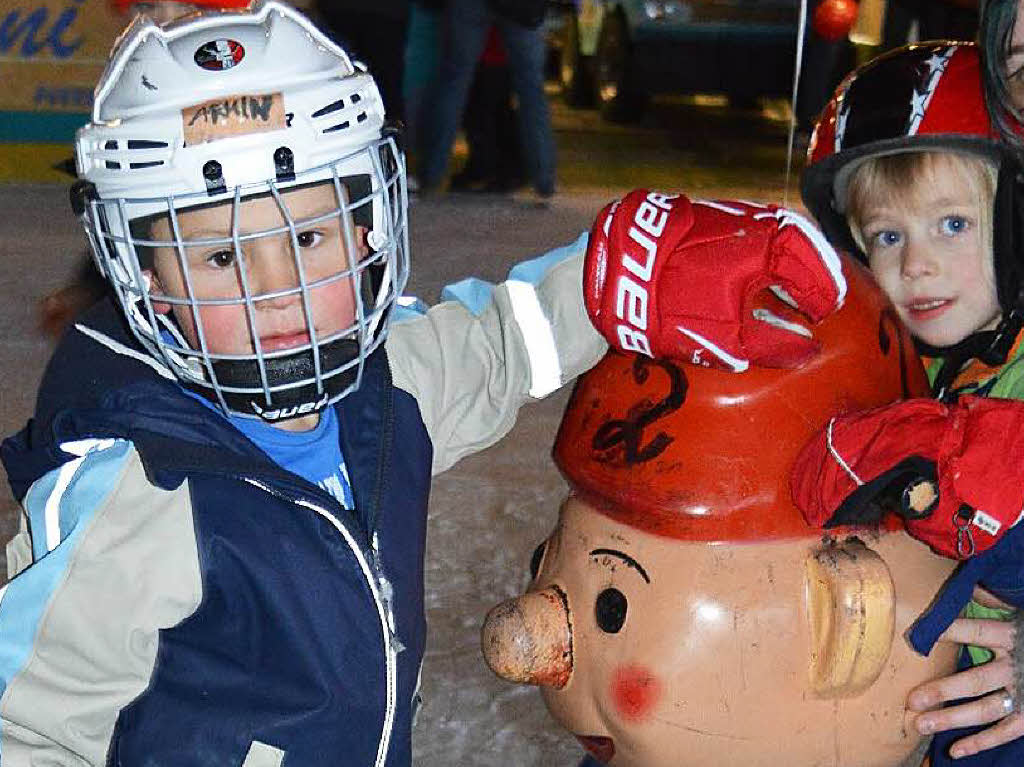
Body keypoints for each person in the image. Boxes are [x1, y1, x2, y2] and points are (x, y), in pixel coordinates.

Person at [0, 2, 844, 763]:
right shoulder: (131, 501)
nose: (276, 290)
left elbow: (503, 341)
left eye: (310, 240)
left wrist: (617, 278)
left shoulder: (386, 380)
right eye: (221, 256)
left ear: (368, 229)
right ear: (146, 283)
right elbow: (24, 727)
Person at [793, 42, 1024, 765]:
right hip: (898, 648)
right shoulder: (888, 361)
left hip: (992, 679)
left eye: (952, 224)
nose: (914, 264)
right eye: (887, 236)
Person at [417, 0, 555, 199]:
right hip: (523, 9)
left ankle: (431, 175)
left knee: (454, 83)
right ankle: (544, 178)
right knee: (531, 89)